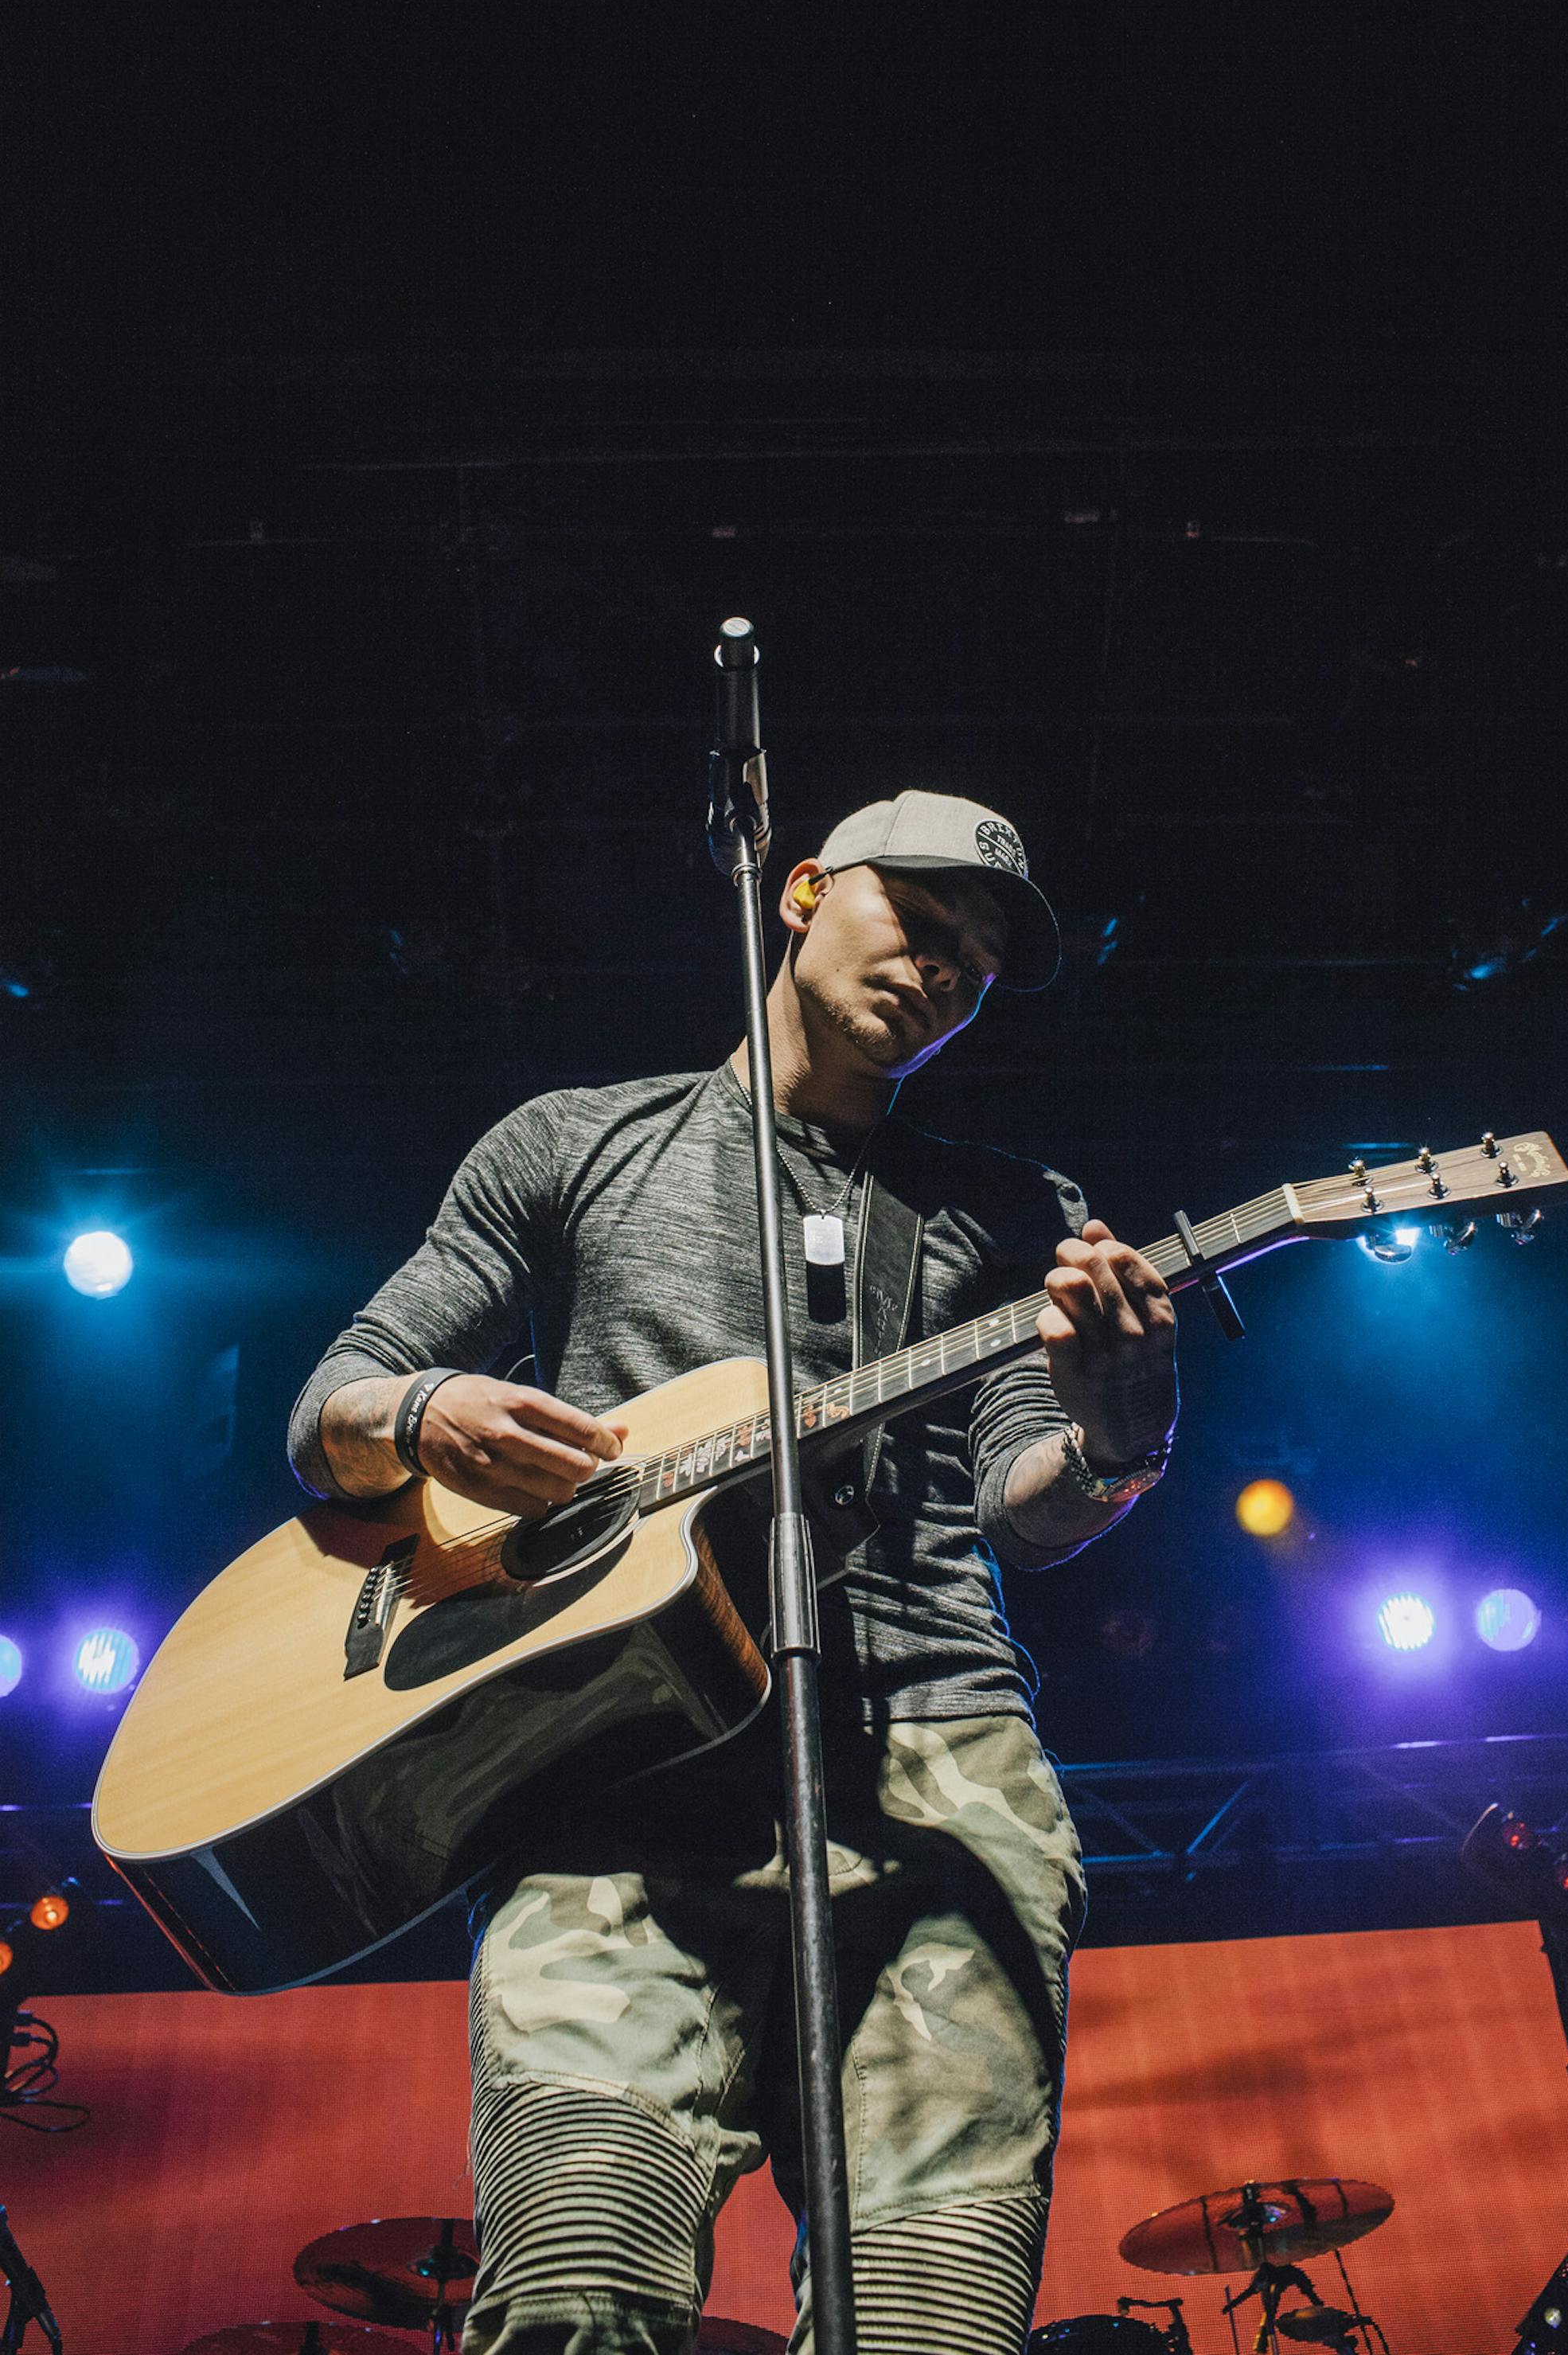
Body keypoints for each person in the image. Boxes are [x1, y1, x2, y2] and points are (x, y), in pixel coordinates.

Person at [288, 789, 1179, 2355]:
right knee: (576, 2297)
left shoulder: (1011, 1211)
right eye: (921, 918)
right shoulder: (572, 1143)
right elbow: (332, 1415)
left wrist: (1122, 1427)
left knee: (932, 2336)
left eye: (979, 961)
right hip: (607, 1785)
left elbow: (1031, 1509)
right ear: (802, 890)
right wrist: (425, 1414)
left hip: (941, 1767)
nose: (947, 967)